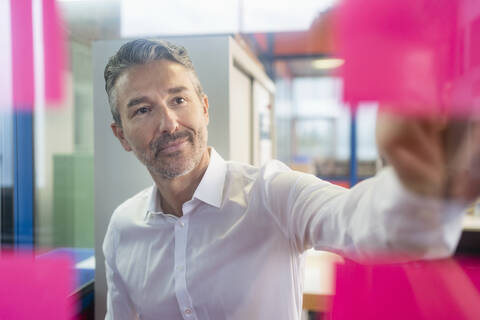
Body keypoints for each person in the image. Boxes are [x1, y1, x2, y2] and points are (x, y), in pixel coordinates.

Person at [102, 39, 465, 320]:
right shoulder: (123, 228)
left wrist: (427, 178)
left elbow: (362, 222)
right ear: (121, 136)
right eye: (143, 109)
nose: (169, 123)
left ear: (205, 108)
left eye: (178, 99)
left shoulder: (271, 194)